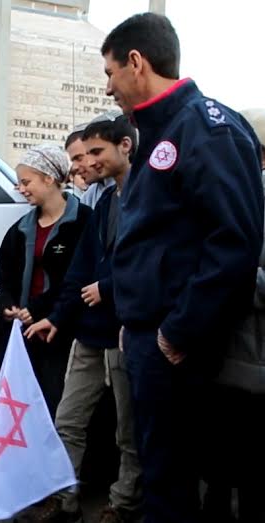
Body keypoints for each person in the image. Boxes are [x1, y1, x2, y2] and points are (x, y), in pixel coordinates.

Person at [102, 13, 263, 522]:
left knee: (174, 483)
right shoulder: (160, 132)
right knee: (162, 475)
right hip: (153, 338)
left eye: (109, 73)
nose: (108, 88)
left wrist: (178, 330)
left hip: (180, 347)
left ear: (136, 62)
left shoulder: (206, 129)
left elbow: (234, 243)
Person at [24, 115, 141, 523]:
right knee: (68, 420)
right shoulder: (106, 202)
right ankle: (65, 500)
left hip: (126, 332)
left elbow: (150, 261)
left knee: (128, 433)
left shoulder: (148, 195)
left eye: (95, 152)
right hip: (90, 333)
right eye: (81, 154)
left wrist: (107, 287)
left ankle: (123, 505)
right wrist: (58, 317)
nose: (84, 163)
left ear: (125, 147)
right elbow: (80, 268)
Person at [0, 144, 92, 417]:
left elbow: (79, 279)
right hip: (25, 334)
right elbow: (4, 282)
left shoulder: (84, 222)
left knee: (60, 408)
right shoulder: (20, 230)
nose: (21, 189)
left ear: (49, 178)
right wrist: (7, 305)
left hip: (64, 331)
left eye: (26, 182)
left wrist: (39, 308)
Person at [201, 107, 265, 523]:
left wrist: (229, 274)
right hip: (215, 361)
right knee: (217, 476)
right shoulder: (224, 199)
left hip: (253, 367)